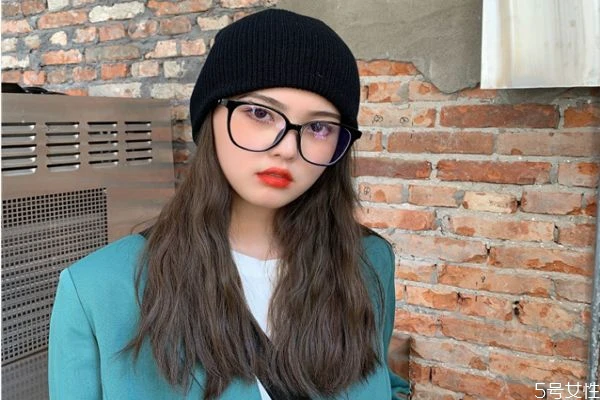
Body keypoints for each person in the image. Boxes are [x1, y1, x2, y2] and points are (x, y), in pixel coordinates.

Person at [48, 8, 410, 400]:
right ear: (211, 117)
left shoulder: (367, 261)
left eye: (319, 127)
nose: (288, 148)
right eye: (260, 113)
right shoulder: (98, 291)